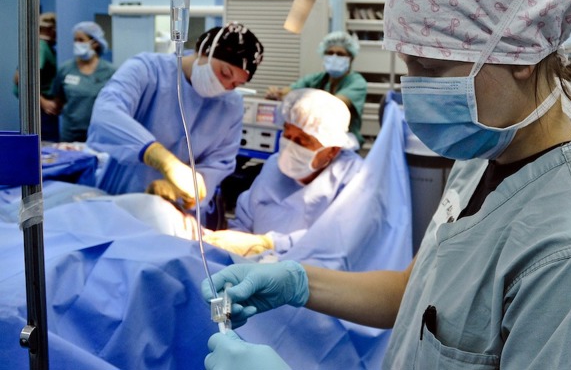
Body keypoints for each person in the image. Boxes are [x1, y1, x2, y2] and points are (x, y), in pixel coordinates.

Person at [200, 0, 571, 370]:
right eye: (408, 66)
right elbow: (417, 294)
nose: (413, 90)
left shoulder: (570, 255)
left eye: (429, 70)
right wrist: (297, 282)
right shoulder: (486, 151)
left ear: (522, 56)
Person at [86, 22, 264, 211]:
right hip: (121, 197)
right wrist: (158, 156)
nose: (225, 86)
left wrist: (186, 189)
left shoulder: (231, 105)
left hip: (177, 212)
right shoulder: (147, 69)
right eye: (224, 73)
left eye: (235, 84)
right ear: (203, 50)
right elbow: (106, 113)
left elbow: (220, 162)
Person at [203, 88, 362, 256]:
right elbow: (245, 219)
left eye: (302, 141)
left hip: (313, 275)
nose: (290, 146)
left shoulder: (353, 179)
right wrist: (235, 244)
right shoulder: (274, 166)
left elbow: (337, 238)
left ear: (332, 150)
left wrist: (268, 244)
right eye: (287, 133)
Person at [265, 31, 367, 147]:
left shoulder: (357, 82)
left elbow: (335, 104)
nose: (334, 57)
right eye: (330, 53)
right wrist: (277, 94)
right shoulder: (317, 79)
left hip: (344, 141)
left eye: (340, 54)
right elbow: (290, 92)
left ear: (351, 58)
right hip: (314, 139)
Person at [51, 21, 116, 142]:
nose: (77, 44)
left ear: (95, 43)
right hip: (70, 135)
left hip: (99, 134)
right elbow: (57, 102)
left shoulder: (110, 71)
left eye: (81, 40)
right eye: (75, 40)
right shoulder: (65, 69)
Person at [13, 12, 60, 141]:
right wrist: (43, 102)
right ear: (50, 29)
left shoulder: (45, 47)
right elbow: (20, 78)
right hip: (40, 108)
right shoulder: (41, 47)